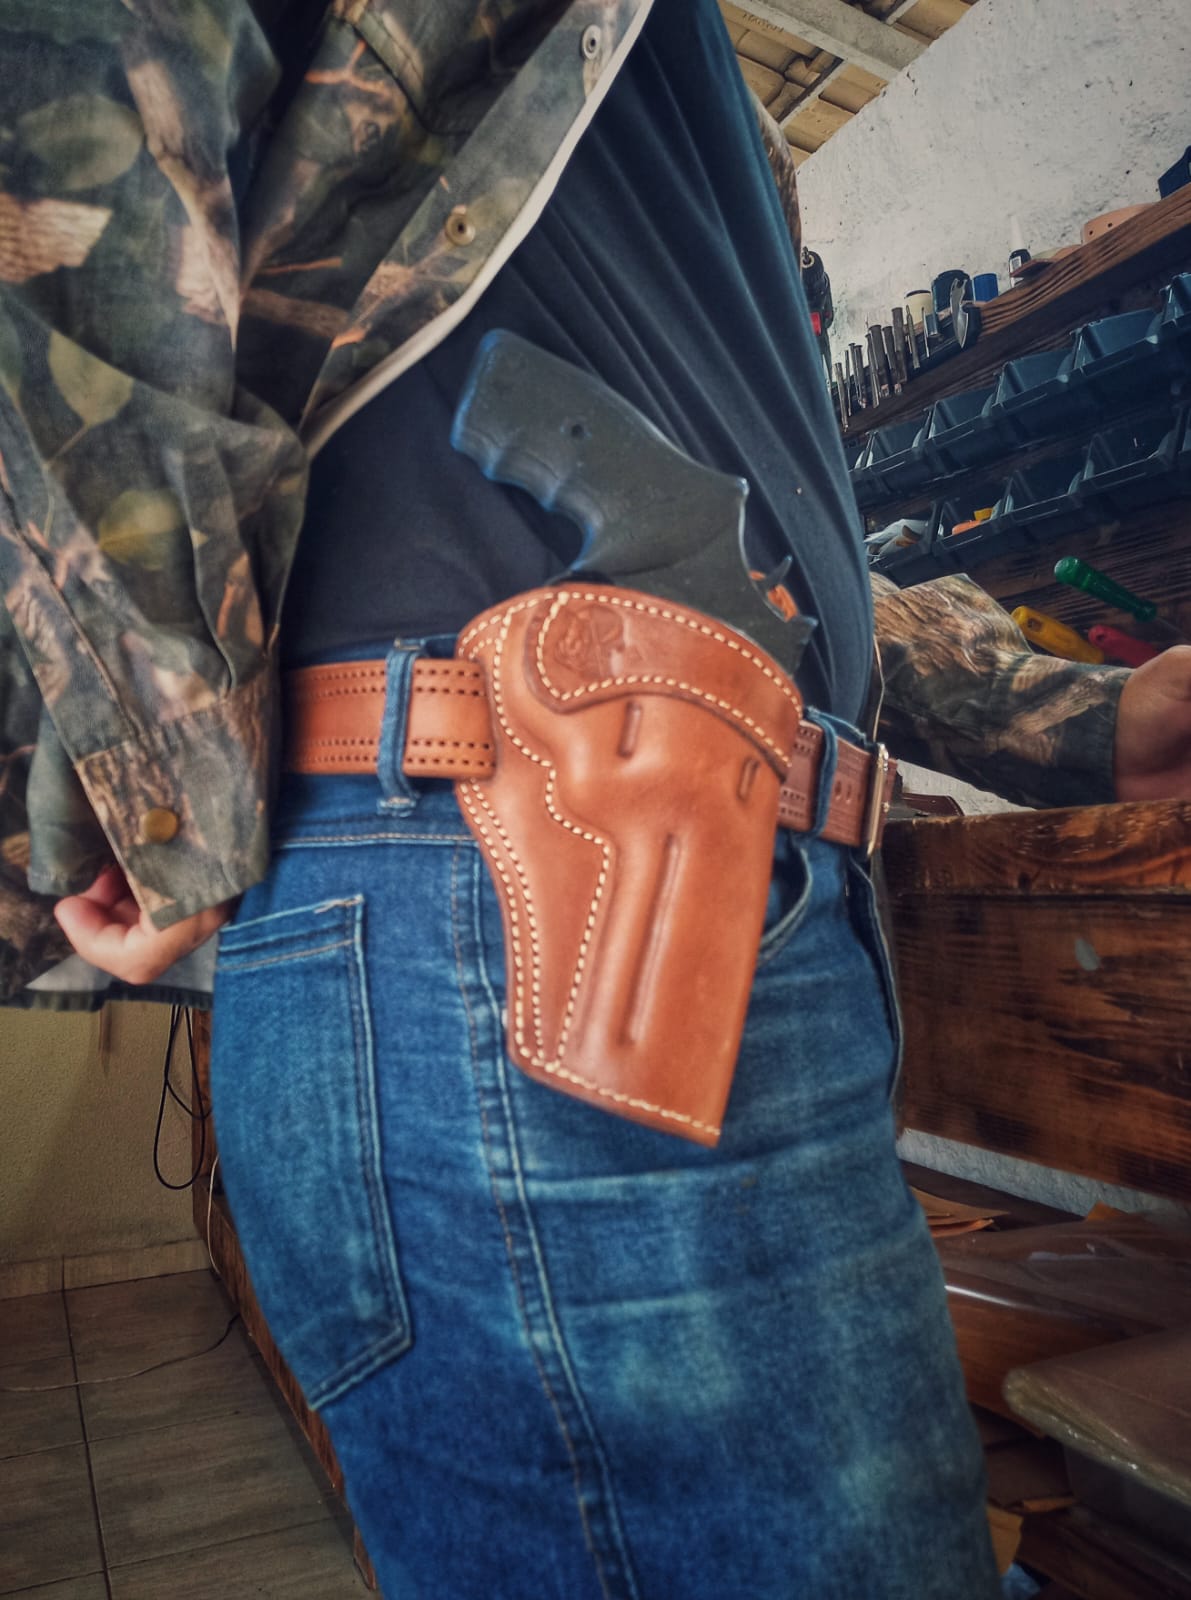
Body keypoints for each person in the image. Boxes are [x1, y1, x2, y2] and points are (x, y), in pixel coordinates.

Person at [1, 1, 1189, 1594]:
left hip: (645, 872)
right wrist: (154, 773)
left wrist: (1079, 721)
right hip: (511, 875)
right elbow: (63, 92)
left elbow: (761, 561)